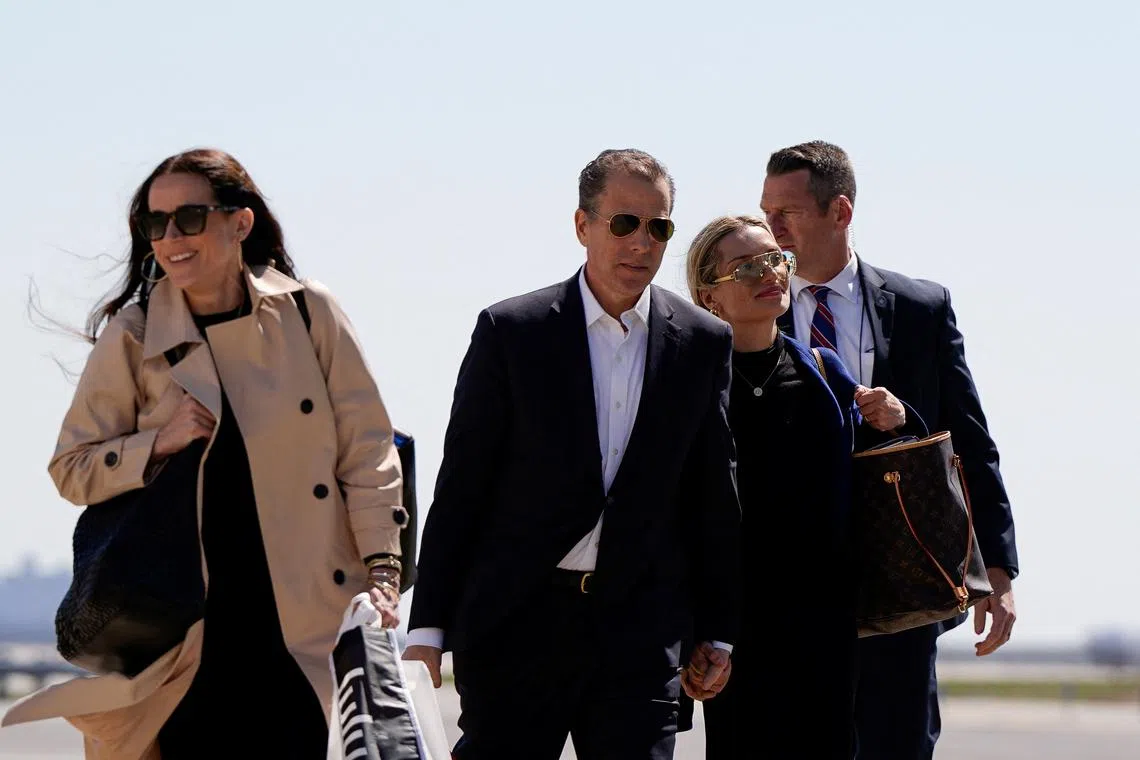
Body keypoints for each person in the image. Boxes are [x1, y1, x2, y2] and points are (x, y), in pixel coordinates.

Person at [4, 148, 408, 759]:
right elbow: (71, 467)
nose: (170, 237)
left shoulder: (308, 313)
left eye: (189, 218)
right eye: (155, 223)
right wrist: (156, 443)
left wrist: (383, 566)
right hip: (189, 632)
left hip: (307, 618)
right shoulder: (135, 335)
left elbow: (368, 448)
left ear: (239, 223)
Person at [403, 148, 741, 760]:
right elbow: (462, 487)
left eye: (658, 227)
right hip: (516, 624)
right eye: (624, 223)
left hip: (640, 632)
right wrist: (428, 627)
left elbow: (712, 494)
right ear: (582, 225)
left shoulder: (702, 342)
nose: (642, 242)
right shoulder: (512, 331)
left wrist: (717, 628)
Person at [761, 140, 1019, 759]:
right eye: (765, 212)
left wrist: (999, 570)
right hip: (789, 576)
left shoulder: (921, 308)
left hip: (901, 574)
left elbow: (968, 440)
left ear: (839, 212)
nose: (770, 231)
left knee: (897, 743)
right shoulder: (749, 311)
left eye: (786, 214)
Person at [684, 213, 909, 758]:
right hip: (733, 623)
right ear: (709, 296)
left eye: (775, 259)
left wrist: (896, 416)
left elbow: (879, 466)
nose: (771, 273)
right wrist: (697, 626)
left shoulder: (822, 369)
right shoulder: (690, 377)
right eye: (746, 266)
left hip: (823, 616)